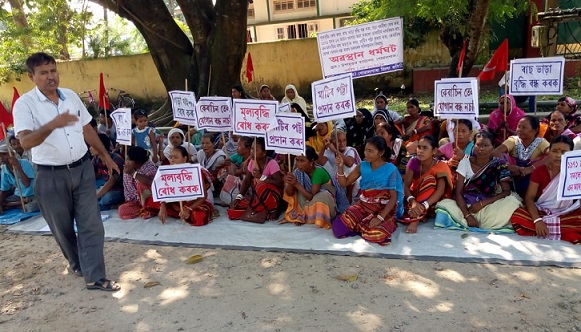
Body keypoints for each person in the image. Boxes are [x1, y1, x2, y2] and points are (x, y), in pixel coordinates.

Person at [13, 52, 121, 291]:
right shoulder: (24, 104)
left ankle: (95, 276)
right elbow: (26, 142)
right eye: (43, 73)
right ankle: (77, 263)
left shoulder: (70, 96)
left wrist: (104, 155)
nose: (51, 77)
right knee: (62, 227)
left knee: (91, 223)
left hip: (82, 169)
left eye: (53, 70)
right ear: (32, 77)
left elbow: (87, 129)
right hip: (50, 175)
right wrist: (53, 123)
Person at [435, 132, 521, 232]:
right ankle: (475, 221)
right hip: (467, 205)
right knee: (443, 206)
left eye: (486, 145)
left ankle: (474, 222)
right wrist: (467, 215)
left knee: (512, 202)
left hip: (489, 204)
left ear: (493, 147)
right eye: (478, 145)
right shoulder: (465, 162)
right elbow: (458, 192)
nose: (482, 149)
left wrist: (482, 203)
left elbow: (506, 191)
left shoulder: (499, 164)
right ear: (473, 146)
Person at [332, 136, 404, 246]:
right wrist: (340, 167)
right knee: (338, 228)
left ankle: (364, 224)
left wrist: (380, 218)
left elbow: (393, 198)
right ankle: (363, 224)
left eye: (370, 151)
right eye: (365, 150)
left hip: (383, 208)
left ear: (381, 152)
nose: (366, 154)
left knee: (376, 234)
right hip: (363, 204)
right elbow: (344, 183)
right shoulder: (362, 166)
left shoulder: (391, 169)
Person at [510, 136, 581, 243]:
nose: (558, 155)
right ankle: (563, 230)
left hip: (568, 211)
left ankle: (551, 229)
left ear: (571, 153)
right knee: (518, 216)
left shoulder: (576, 170)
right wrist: (537, 220)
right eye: (554, 151)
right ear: (549, 152)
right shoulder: (540, 171)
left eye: (563, 152)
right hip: (543, 211)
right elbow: (529, 198)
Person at [281, 146, 349, 228]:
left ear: (311, 161)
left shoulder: (318, 172)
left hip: (322, 201)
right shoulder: (297, 172)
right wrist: (289, 183)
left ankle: (315, 217)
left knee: (323, 196)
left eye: (302, 161)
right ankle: (304, 215)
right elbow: (289, 193)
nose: (299, 164)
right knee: (297, 193)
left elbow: (311, 197)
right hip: (309, 201)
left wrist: (296, 184)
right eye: (297, 160)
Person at [399, 135, 453, 234]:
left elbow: (440, 191)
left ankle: (415, 219)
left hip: (431, 202)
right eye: (419, 147)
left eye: (425, 148)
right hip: (414, 198)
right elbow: (406, 186)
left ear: (434, 151)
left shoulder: (440, 165)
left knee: (430, 180)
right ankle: (419, 213)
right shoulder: (413, 161)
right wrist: (413, 202)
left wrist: (423, 206)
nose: (420, 151)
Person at [228, 137, 284, 222]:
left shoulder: (272, 163)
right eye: (252, 149)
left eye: (256, 150)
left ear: (264, 152)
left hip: (272, 196)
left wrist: (261, 177)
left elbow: (279, 183)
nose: (252, 152)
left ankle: (274, 210)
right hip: (258, 196)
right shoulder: (252, 162)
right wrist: (239, 197)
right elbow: (247, 181)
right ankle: (260, 208)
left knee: (261, 185)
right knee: (236, 206)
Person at [492, 115, 549, 197]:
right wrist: (509, 166)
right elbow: (495, 152)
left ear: (535, 130)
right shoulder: (513, 140)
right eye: (518, 127)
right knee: (501, 157)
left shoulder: (541, 142)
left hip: (531, 176)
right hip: (513, 175)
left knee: (546, 159)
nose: (519, 130)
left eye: (524, 127)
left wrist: (530, 169)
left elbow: (552, 155)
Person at [156, 146, 214, 226]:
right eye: (170, 157)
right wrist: (162, 206)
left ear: (184, 158)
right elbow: (163, 192)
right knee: (154, 202)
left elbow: (203, 196)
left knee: (199, 215)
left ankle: (185, 213)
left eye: (176, 157)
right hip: (177, 202)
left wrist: (189, 209)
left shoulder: (195, 171)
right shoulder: (167, 172)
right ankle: (182, 213)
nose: (172, 160)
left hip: (197, 202)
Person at [316, 129, 361, 202]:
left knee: (351, 168)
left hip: (351, 184)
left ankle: (348, 197)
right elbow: (319, 162)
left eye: (344, 140)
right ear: (332, 142)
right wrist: (324, 147)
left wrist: (335, 151)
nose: (342, 143)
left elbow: (349, 163)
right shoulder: (329, 151)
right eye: (339, 141)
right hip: (337, 182)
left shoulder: (350, 150)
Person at [118, 146, 157, 219]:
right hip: (137, 202)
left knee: (141, 184)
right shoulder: (127, 169)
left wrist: (133, 173)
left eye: (129, 160)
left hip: (150, 200)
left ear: (138, 163)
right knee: (122, 210)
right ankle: (144, 210)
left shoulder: (150, 168)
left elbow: (149, 182)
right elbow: (128, 191)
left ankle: (151, 209)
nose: (126, 162)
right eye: (126, 159)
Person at [0, 144, 39, 213]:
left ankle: (15, 205)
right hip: (18, 196)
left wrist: (17, 166)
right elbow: (4, 189)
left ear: (12, 154)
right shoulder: (4, 169)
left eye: (4, 154)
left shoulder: (24, 163)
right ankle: (22, 202)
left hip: (32, 194)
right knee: (2, 201)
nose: (1, 157)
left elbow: (26, 184)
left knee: (32, 207)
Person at [92, 133, 125, 211]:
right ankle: (109, 206)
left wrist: (97, 196)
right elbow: (89, 175)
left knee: (106, 198)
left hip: (118, 190)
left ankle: (99, 206)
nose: (90, 148)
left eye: (92, 146)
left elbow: (112, 182)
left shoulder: (116, 159)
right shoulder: (96, 159)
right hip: (105, 186)